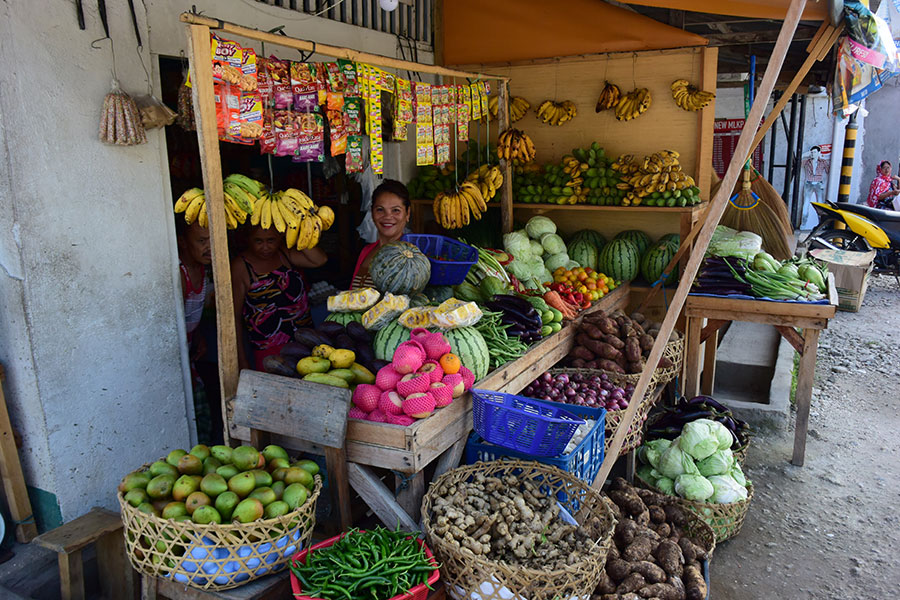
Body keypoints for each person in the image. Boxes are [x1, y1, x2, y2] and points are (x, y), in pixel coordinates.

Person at [231, 226, 327, 371]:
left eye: (271, 240)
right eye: (258, 241)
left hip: (305, 343)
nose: (265, 247)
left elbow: (320, 259)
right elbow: (234, 317)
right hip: (270, 352)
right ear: (248, 239)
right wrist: (242, 362)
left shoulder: (284, 253)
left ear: (281, 236)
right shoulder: (241, 267)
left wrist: (295, 229)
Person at [176, 219, 219, 444]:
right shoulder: (180, 275)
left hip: (191, 346)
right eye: (202, 241)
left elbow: (191, 314)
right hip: (178, 354)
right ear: (182, 242)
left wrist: (199, 335)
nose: (210, 247)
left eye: (213, 239)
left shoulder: (202, 270)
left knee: (201, 410)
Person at [351, 179, 412, 289]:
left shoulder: (412, 255)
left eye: (396, 210)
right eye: (380, 209)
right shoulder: (366, 251)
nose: (387, 216)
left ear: (407, 214)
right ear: (372, 213)